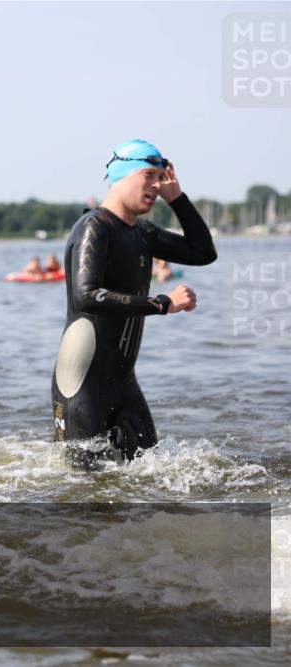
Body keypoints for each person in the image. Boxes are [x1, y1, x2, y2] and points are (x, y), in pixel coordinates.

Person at [51, 140, 217, 467]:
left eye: (161, 178)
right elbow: (87, 295)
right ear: (121, 175)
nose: (157, 185)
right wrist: (162, 304)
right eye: (149, 175)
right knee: (81, 492)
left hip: (124, 383)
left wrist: (177, 199)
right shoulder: (94, 227)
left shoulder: (142, 232)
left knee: (149, 478)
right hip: (81, 384)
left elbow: (203, 252)